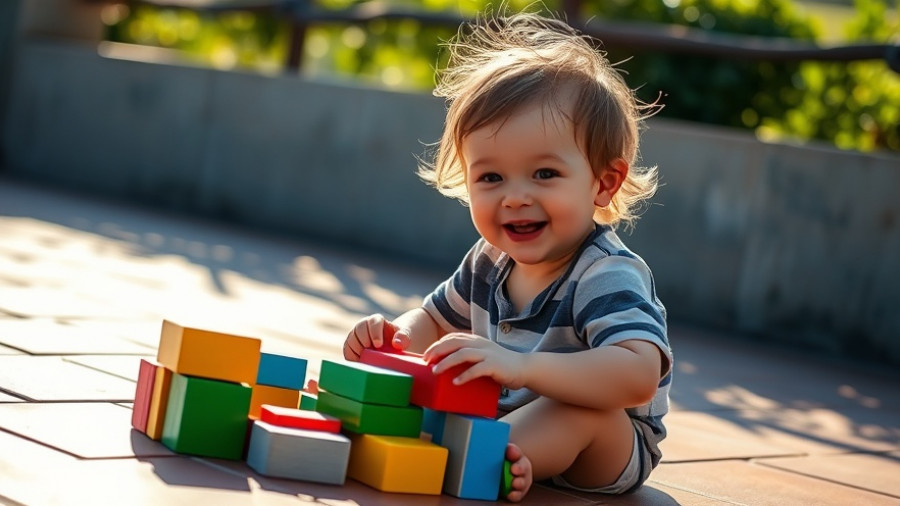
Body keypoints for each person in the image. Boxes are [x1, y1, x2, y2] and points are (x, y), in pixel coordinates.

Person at [342, 11, 672, 502]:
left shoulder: (605, 272)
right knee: (447, 386)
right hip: (502, 419)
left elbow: (637, 375)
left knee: (575, 409)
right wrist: (396, 337)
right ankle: (485, 453)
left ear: (603, 183)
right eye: (491, 178)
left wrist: (520, 368)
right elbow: (433, 318)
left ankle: (485, 457)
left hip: (608, 446)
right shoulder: (488, 261)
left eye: (543, 174)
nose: (514, 197)